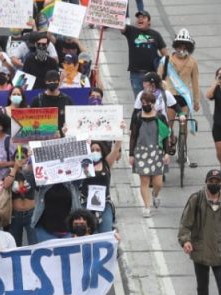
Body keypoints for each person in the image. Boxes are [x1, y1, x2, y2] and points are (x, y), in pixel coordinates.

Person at [129, 89, 170, 217]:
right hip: (141, 152)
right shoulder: (137, 117)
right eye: (143, 102)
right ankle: (147, 207)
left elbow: (165, 136)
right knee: (144, 182)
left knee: (158, 183)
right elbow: (133, 136)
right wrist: (131, 154)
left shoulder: (160, 117)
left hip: (157, 152)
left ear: (153, 103)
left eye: (147, 102)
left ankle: (155, 194)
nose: (145, 105)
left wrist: (166, 152)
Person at [158, 29, 201, 121]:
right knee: (168, 123)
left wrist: (196, 101)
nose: (181, 49)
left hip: (184, 97)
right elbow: (158, 78)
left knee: (183, 125)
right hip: (170, 95)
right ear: (175, 46)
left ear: (189, 48)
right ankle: (171, 135)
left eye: (184, 47)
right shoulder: (166, 60)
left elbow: (195, 83)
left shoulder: (193, 63)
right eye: (179, 46)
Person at [122, 10, 167, 96]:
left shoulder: (156, 35)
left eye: (143, 17)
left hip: (152, 75)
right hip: (136, 74)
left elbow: (165, 55)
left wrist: (164, 72)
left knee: (152, 99)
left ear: (149, 22)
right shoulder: (131, 30)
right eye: (138, 18)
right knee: (139, 100)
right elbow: (120, 25)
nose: (140, 19)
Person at [83, 138, 122, 233]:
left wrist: (120, 131)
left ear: (102, 151)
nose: (95, 152)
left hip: (104, 205)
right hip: (86, 205)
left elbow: (116, 148)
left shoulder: (106, 164)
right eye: (92, 150)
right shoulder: (84, 166)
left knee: (106, 232)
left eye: (97, 150)